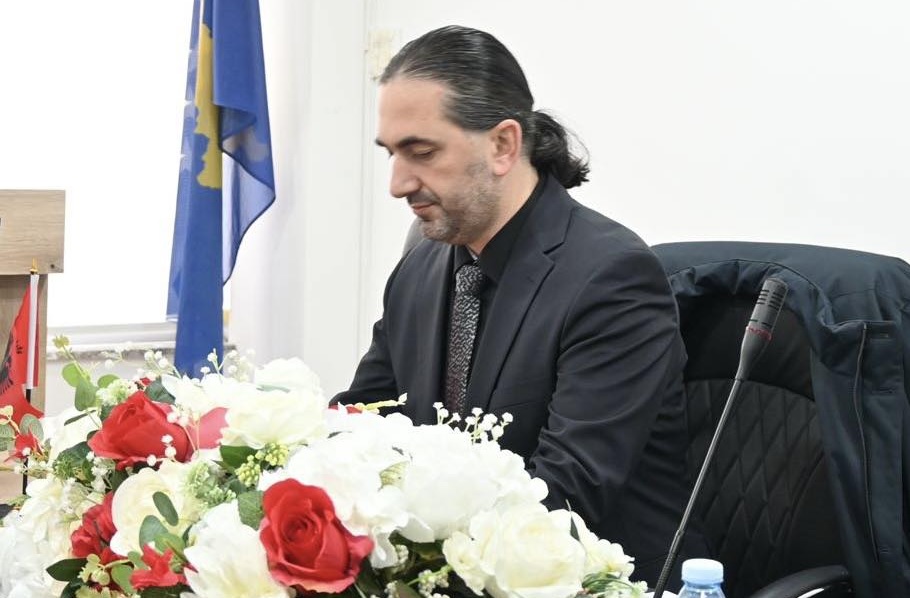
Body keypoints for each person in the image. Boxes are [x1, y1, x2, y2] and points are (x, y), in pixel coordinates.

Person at [334, 25, 703, 585]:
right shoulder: (422, 266)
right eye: (391, 154)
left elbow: (563, 497)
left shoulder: (612, 278)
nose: (398, 183)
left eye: (422, 152)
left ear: (503, 145)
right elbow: (362, 422)